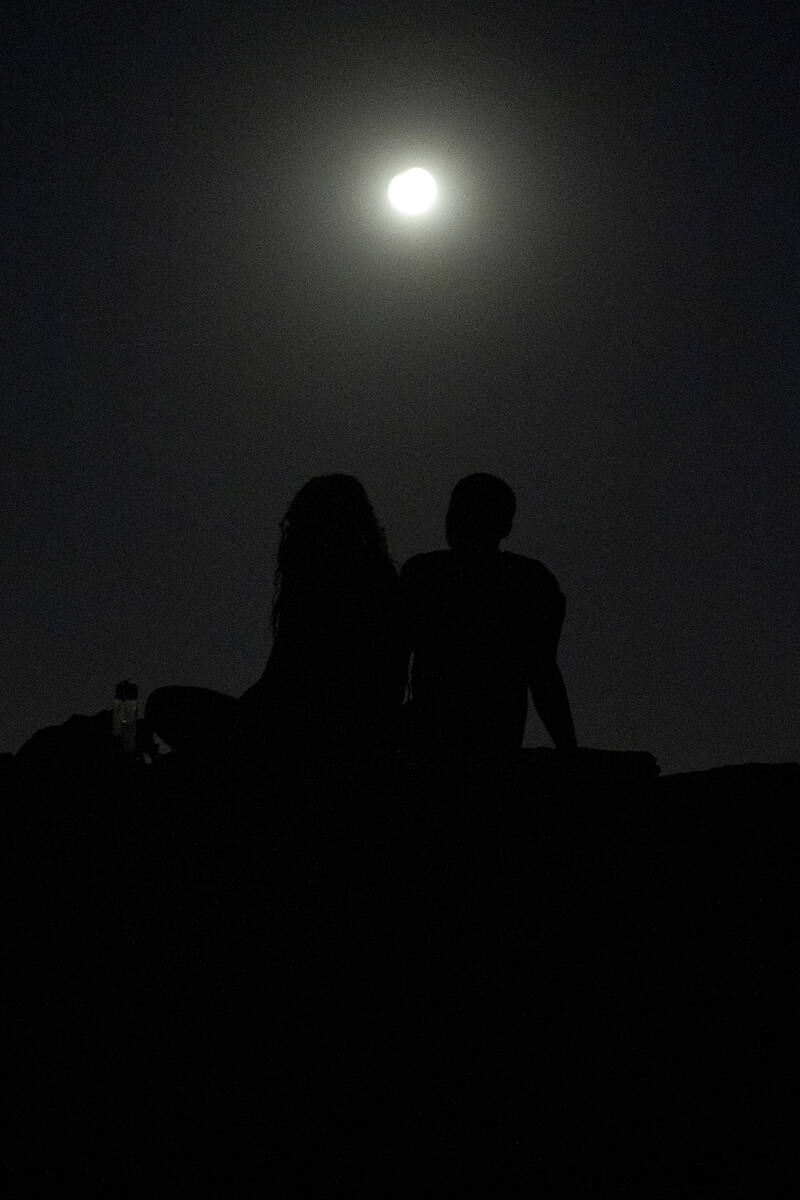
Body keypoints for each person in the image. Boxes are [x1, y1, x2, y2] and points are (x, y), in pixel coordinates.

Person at [146, 474, 406, 778]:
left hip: (323, 737)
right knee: (166, 706)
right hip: (298, 728)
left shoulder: (365, 591)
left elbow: (371, 695)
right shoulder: (331, 593)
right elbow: (272, 684)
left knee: (168, 707)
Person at [400, 473, 576, 765]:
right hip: (471, 745)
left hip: (452, 747)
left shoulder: (425, 574)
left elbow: (544, 676)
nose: (456, 521)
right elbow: (544, 676)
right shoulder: (529, 582)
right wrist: (570, 752)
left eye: (466, 512)